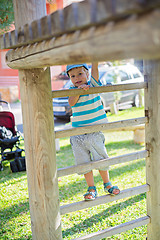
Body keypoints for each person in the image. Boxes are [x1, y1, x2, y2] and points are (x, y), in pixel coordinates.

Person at [67, 63, 120, 200]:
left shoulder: (93, 86)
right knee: (84, 163)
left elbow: (95, 69)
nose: (77, 77)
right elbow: (72, 102)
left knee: (101, 158)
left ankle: (107, 184)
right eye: (73, 76)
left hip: (94, 132)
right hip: (78, 134)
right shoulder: (72, 90)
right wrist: (79, 90)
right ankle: (91, 188)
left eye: (80, 74)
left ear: (87, 74)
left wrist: (94, 60)